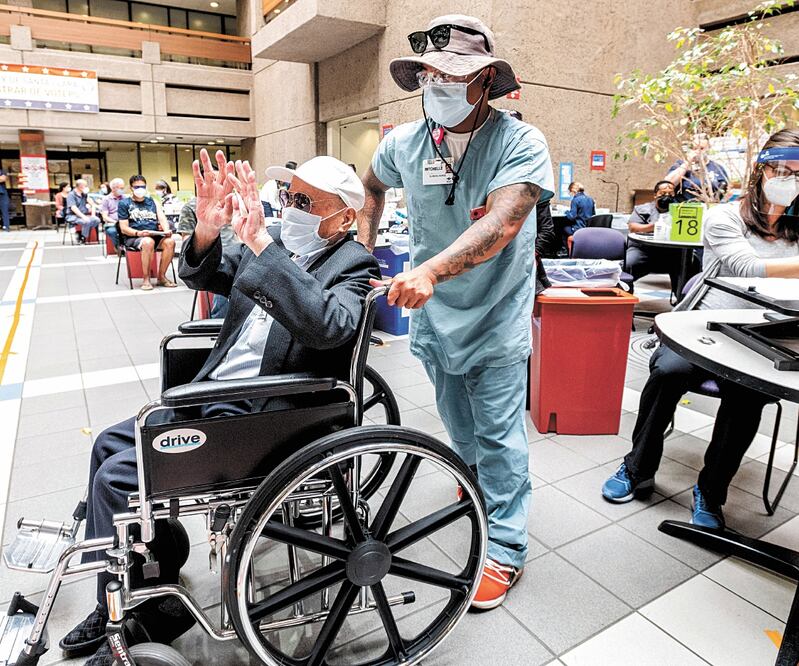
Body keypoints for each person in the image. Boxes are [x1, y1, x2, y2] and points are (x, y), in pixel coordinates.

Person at [58, 149, 380, 665]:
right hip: (215, 394)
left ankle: (120, 606)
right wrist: (208, 231)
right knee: (107, 445)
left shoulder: (352, 264)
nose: (290, 207)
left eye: (305, 201)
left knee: (120, 479)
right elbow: (206, 273)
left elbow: (331, 326)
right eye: (289, 196)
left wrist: (261, 244)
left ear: (343, 218)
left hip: (266, 414)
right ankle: (155, 581)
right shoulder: (271, 244)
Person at [358, 14, 554, 610]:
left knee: (497, 434)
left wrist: (429, 271)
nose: (438, 85)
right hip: (434, 318)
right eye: (429, 76)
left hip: (494, 312)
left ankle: (507, 547)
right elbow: (370, 186)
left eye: (453, 75)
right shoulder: (405, 143)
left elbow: (503, 223)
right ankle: (480, 494)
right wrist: (363, 252)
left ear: (486, 79)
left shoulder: (520, 142)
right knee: (458, 424)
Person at [602, 128, 799, 529]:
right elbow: (748, 268)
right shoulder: (725, 216)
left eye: (796, 173)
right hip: (706, 329)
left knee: (748, 398)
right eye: (779, 169)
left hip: (764, 336)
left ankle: (710, 492)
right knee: (667, 372)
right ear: (760, 171)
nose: (786, 179)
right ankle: (637, 467)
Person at [177, 196, 241, 317]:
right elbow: (187, 240)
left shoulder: (234, 203)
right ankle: (220, 324)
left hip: (236, 251)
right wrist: (206, 231)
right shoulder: (191, 206)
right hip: (211, 254)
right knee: (227, 273)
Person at [625, 180, 687, 292]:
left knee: (691, 264)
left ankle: (683, 300)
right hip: (644, 251)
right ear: (655, 195)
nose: (667, 197)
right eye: (663, 194)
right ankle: (625, 297)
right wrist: (656, 226)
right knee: (628, 264)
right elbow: (633, 227)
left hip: (673, 252)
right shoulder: (643, 209)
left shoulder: (682, 210)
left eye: (670, 194)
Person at [117, 175, 177, 290]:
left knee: (170, 242)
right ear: (131, 188)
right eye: (136, 187)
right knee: (147, 242)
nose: (140, 189)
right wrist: (138, 233)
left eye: (142, 186)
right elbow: (123, 228)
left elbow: (162, 218)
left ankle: (161, 277)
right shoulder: (124, 203)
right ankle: (146, 279)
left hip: (154, 234)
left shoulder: (152, 201)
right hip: (134, 237)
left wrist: (166, 230)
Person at [666, 133, 729, 202]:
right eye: (694, 148)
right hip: (684, 208)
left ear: (708, 148)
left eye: (701, 148)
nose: (697, 151)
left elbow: (726, 191)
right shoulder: (680, 164)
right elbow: (668, 183)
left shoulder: (717, 168)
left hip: (709, 208)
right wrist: (688, 162)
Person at [66, 179, 101, 244]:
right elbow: (73, 208)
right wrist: (83, 217)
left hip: (84, 215)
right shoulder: (71, 195)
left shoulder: (84, 194)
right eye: (85, 185)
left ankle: (80, 233)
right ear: (80, 186)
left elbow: (93, 204)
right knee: (86, 221)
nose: (86, 187)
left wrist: (93, 215)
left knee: (97, 220)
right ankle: (83, 238)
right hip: (72, 216)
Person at [562, 181, 595, 248]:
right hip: (588, 228)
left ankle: (566, 251)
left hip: (578, 228)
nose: (570, 194)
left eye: (570, 192)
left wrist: (566, 212)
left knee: (562, 229)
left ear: (573, 191)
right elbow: (593, 214)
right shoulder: (590, 199)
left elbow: (572, 217)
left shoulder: (575, 200)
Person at [98, 178, 125, 250]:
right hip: (112, 224)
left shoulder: (125, 198)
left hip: (125, 222)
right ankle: (118, 247)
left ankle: (128, 247)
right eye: (121, 188)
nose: (122, 190)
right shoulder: (106, 199)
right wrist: (116, 222)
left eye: (123, 188)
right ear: (113, 188)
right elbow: (105, 217)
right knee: (112, 231)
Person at [1, 166, 11, 232]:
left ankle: (6, 227)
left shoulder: (2, 171)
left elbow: (3, 179)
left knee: (5, 211)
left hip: (2, 194)